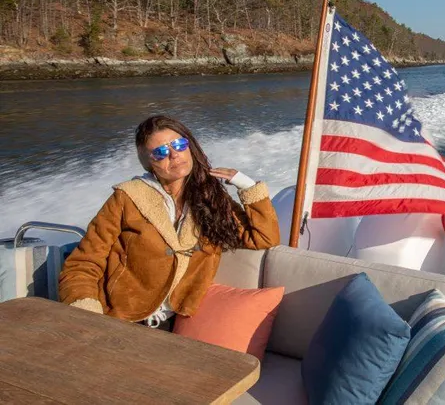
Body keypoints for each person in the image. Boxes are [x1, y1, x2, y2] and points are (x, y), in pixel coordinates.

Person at [59, 115, 280, 330]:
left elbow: (264, 237)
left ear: (190, 145)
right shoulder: (127, 198)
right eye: (161, 152)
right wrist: (88, 313)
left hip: (177, 323)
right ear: (148, 164)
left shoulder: (211, 199)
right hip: (120, 318)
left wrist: (246, 185)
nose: (174, 155)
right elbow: (83, 263)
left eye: (179, 144)